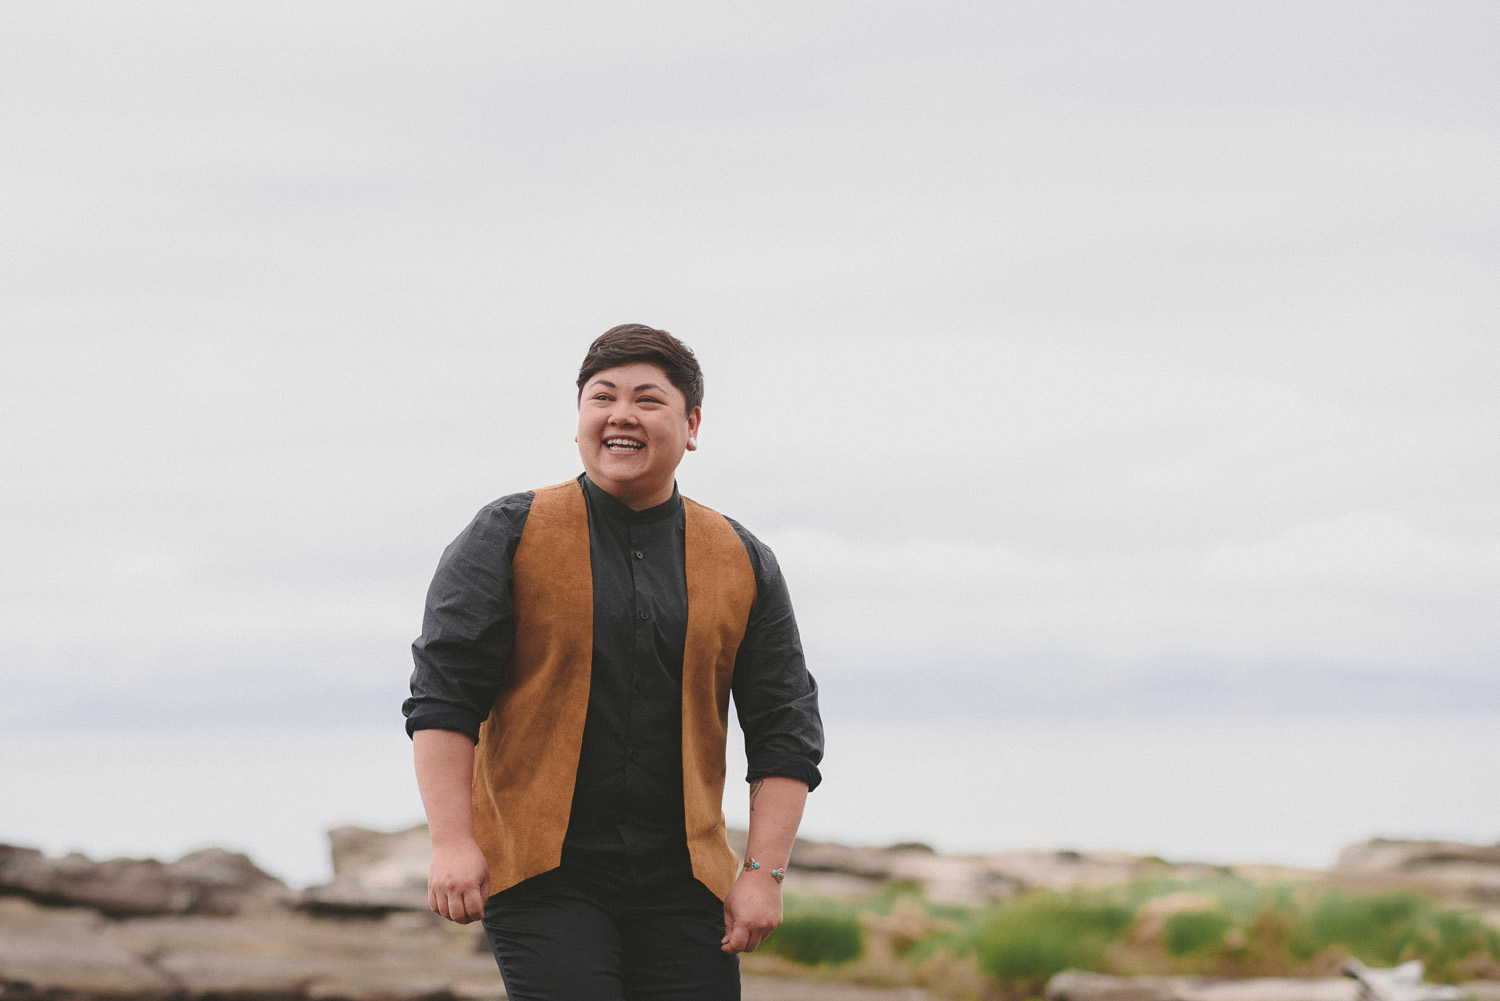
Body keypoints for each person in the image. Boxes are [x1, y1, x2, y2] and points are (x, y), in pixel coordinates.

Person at [403, 324, 824, 1001]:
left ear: (691, 425)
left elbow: (785, 729)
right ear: (579, 422)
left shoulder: (742, 559)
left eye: (647, 399)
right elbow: (443, 699)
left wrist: (762, 873)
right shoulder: (506, 534)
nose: (621, 413)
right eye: (602, 397)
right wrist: (453, 841)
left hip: (686, 883)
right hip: (544, 875)